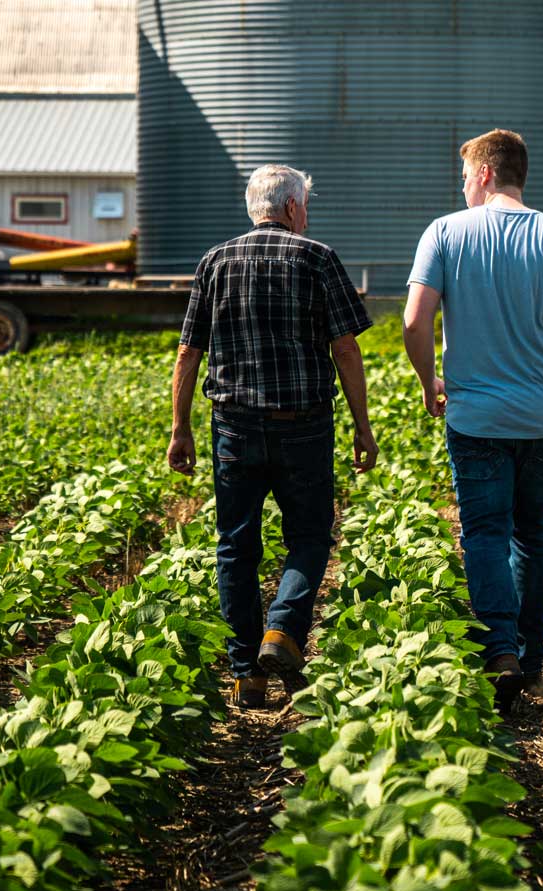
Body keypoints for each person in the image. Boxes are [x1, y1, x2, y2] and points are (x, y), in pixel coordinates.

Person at [403, 128, 543, 712]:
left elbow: (416, 322)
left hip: (476, 417)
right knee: (534, 533)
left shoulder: (444, 233)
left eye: (465, 175)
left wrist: (428, 380)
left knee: (485, 534)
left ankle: (500, 652)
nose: (462, 185)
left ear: (486, 174)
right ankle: (531, 655)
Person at [167, 163, 378, 709]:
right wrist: (362, 425)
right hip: (304, 426)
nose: (306, 213)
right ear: (290, 207)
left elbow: (189, 352)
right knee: (308, 537)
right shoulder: (318, 259)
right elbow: (346, 348)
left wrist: (180, 428)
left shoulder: (214, 261)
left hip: (234, 426)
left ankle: (246, 675)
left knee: (236, 547)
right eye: (304, 204)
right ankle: (282, 631)